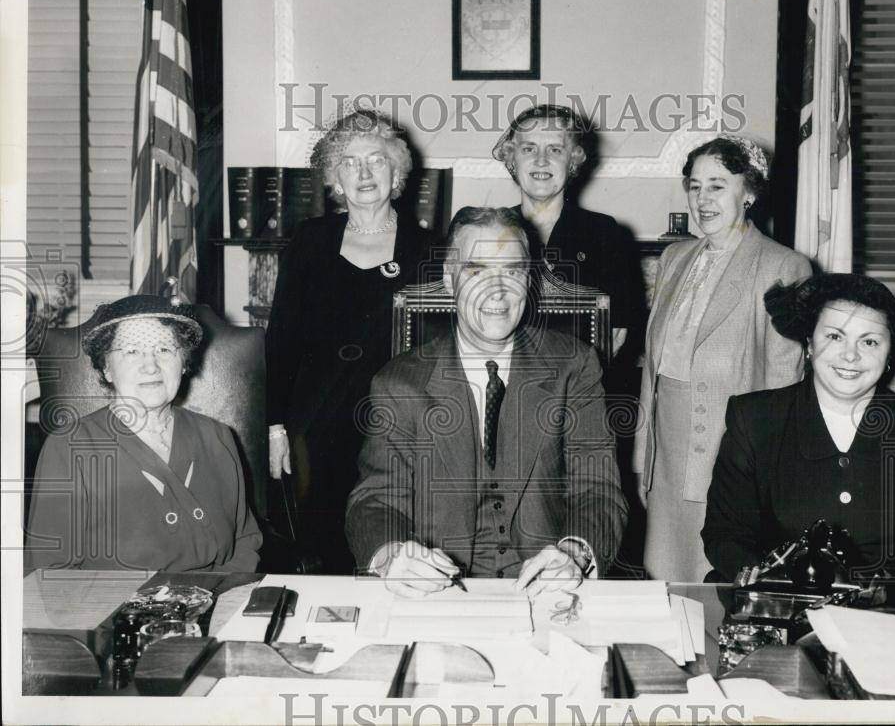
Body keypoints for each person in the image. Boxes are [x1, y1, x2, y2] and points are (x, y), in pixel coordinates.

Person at [345, 207, 627, 597]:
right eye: (477, 270)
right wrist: (392, 555)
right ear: (449, 279)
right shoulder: (399, 382)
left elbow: (597, 490)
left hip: (548, 590)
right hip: (438, 594)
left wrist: (574, 553)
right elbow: (374, 501)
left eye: (512, 271)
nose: (497, 291)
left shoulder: (573, 367)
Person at [702, 274, 895, 604]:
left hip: (880, 621)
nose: (850, 356)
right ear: (810, 344)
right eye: (834, 337)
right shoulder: (754, 418)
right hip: (774, 607)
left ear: (889, 355)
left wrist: (871, 600)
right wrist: (768, 585)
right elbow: (726, 534)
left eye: (869, 341)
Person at [633, 136, 812, 582]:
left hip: (728, 452)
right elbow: (651, 374)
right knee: (663, 578)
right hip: (667, 455)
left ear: (748, 192)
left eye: (717, 185)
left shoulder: (782, 267)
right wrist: (642, 455)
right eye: (694, 186)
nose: (702, 199)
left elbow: (783, 384)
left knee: (715, 583)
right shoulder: (675, 258)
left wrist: (768, 480)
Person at [266, 109, 433, 573]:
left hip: (398, 424)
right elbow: (281, 337)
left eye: (377, 160)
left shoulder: (429, 250)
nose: (364, 173)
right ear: (334, 178)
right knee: (320, 551)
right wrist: (275, 427)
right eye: (350, 162)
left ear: (397, 172)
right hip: (316, 425)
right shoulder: (309, 240)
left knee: (393, 540)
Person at [25, 295, 262, 571]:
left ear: (184, 363)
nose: (150, 365)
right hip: (113, 611)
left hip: (216, 604)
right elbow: (50, 574)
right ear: (106, 368)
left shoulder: (218, 437)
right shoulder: (70, 447)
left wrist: (219, 604)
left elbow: (245, 543)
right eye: (132, 351)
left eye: (164, 349)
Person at [493, 104, 644, 359]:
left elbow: (614, 337)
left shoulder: (605, 234)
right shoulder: (491, 229)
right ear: (512, 158)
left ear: (573, 160)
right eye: (529, 148)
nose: (541, 160)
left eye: (555, 149)